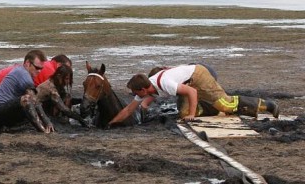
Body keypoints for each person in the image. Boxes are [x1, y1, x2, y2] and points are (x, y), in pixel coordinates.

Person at [109, 64, 280, 126]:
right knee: (183, 114)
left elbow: (191, 91)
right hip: (187, 82)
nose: (133, 95)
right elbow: (128, 110)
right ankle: (209, 107)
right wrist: (111, 123)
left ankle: (267, 105)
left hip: (199, 75)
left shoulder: (164, 84)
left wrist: (192, 115)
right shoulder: (147, 88)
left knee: (225, 104)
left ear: (143, 90)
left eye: (134, 92)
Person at [0, 50, 47, 132]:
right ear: (27, 63)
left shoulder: (22, 71)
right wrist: (47, 122)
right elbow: (33, 100)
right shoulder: (23, 74)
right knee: (27, 99)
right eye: (37, 68)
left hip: (2, 111)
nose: (39, 71)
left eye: (41, 69)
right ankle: (42, 130)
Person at [0, 54, 71, 92]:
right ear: (59, 65)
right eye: (67, 68)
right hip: (1, 83)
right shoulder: (51, 71)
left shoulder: (45, 64)